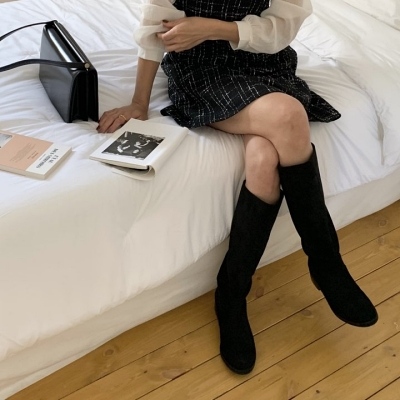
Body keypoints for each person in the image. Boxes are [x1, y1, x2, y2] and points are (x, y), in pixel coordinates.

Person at [97, 0, 378, 375]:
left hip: (266, 65)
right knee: (288, 115)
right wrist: (138, 102)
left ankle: (232, 292)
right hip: (203, 71)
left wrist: (213, 28)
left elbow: (282, 30)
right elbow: (153, 32)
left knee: (263, 161)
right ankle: (326, 262)